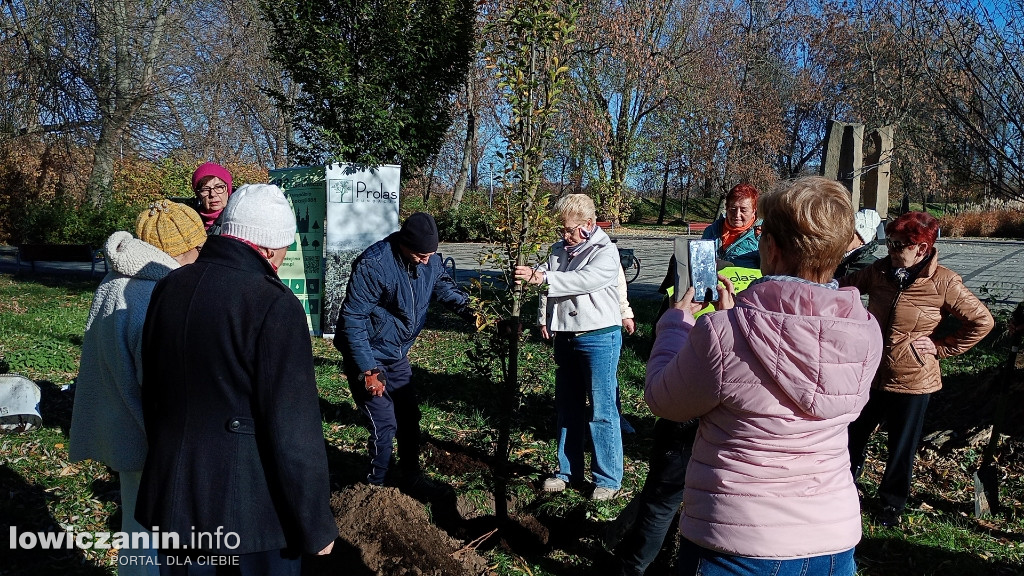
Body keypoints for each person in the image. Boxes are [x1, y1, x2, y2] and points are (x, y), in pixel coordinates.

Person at [646, 176, 883, 574]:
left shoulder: (724, 334)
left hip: (737, 543)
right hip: (832, 540)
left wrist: (675, 324)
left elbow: (663, 398)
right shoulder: (866, 330)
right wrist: (732, 319)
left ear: (769, 246)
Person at [137, 184, 336, 574]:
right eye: (282, 250)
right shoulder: (274, 305)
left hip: (174, 498)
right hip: (250, 513)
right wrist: (315, 522)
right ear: (265, 247)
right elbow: (294, 430)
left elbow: (153, 394)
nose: (280, 262)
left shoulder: (167, 287)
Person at [69, 201, 205, 576]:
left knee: (136, 528)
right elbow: (162, 387)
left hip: (121, 428)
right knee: (160, 542)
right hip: (153, 439)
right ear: (180, 250)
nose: (201, 256)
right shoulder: (154, 297)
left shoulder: (114, 282)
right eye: (198, 248)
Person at [841, 210, 994, 527]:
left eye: (899, 246)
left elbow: (982, 321)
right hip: (870, 374)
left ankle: (891, 505)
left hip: (913, 380)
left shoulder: (943, 282)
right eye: (890, 243)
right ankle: (842, 490)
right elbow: (843, 287)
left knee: (901, 446)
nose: (891, 251)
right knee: (852, 436)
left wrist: (941, 347)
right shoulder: (879, 271)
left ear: (922, 249)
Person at [335, 212, 475, 490]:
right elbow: (353, 319)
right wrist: (368, 369)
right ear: (404, 243)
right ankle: (376, 487)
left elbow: (446, 291)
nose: (426, 262)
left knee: (409, 416)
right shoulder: (374, 265)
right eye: (420, 255)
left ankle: (411, 475)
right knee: (384, 422)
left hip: (396, 353)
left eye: (430, 255)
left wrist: (480, 317)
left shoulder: (430, 261)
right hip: (368, 354)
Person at [515, 193, 624, 501]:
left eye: (568, 229)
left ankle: (608, 478)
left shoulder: (605, 252)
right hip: (565, 336)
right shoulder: (556, 250)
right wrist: (544, 318)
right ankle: (567, 471)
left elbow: (582, 281)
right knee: (567, 406)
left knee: (602, 409)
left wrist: (542, 277)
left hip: (599, 335)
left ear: (588, 225)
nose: (563, 235)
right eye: (560, 229)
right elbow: (544, 292)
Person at [701, 183, 762, 269]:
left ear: (753, 211)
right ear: (726, 208)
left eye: (743, 210)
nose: (737, 215)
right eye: (733, 209)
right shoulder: (710, 231)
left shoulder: (763, 235)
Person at [834, 208, 882, 278]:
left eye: (850, 232)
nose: (843, 235)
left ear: (862, 240)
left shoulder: (868, 268)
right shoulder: (835, 256)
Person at [192, 161, 233, 235]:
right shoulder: (189, 221)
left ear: (228, 190)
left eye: (219, 187)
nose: (213, 194)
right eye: (205, 189)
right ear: (198, 194)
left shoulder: (237, 224)